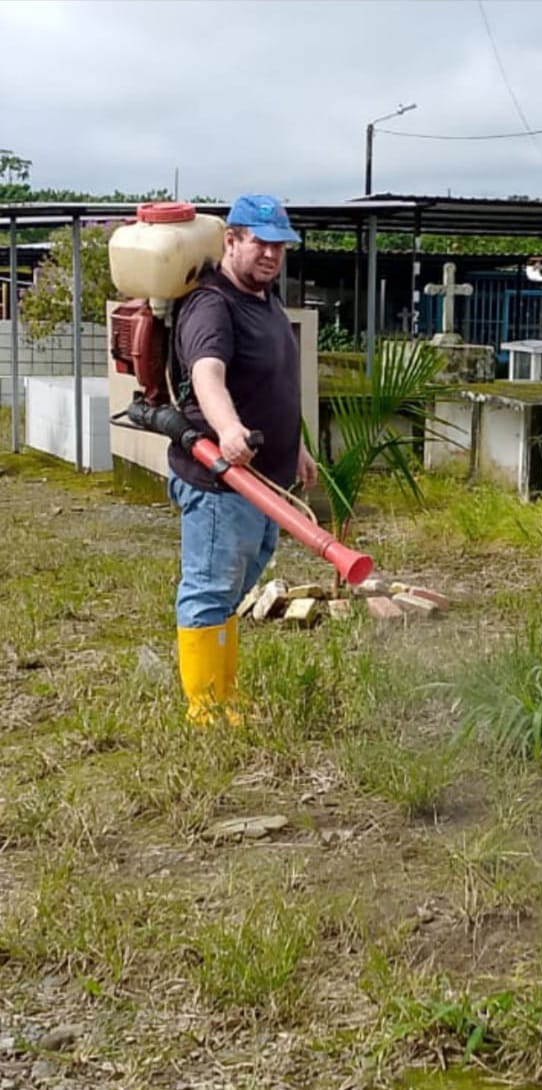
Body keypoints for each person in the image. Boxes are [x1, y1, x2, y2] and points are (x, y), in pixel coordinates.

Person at [167, 193, 317, 725]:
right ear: (231, 240)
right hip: (221, 480)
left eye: (280, 246)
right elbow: (207, 373)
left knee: (232, 587)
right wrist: (229, 429)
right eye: (260, 243)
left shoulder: (263, 298)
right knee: (210, 589)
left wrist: (295, 446)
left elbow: (272, 381)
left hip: (262, 481)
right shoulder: (212, 305)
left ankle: (225, 694)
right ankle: (205, 708)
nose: (271, 255)